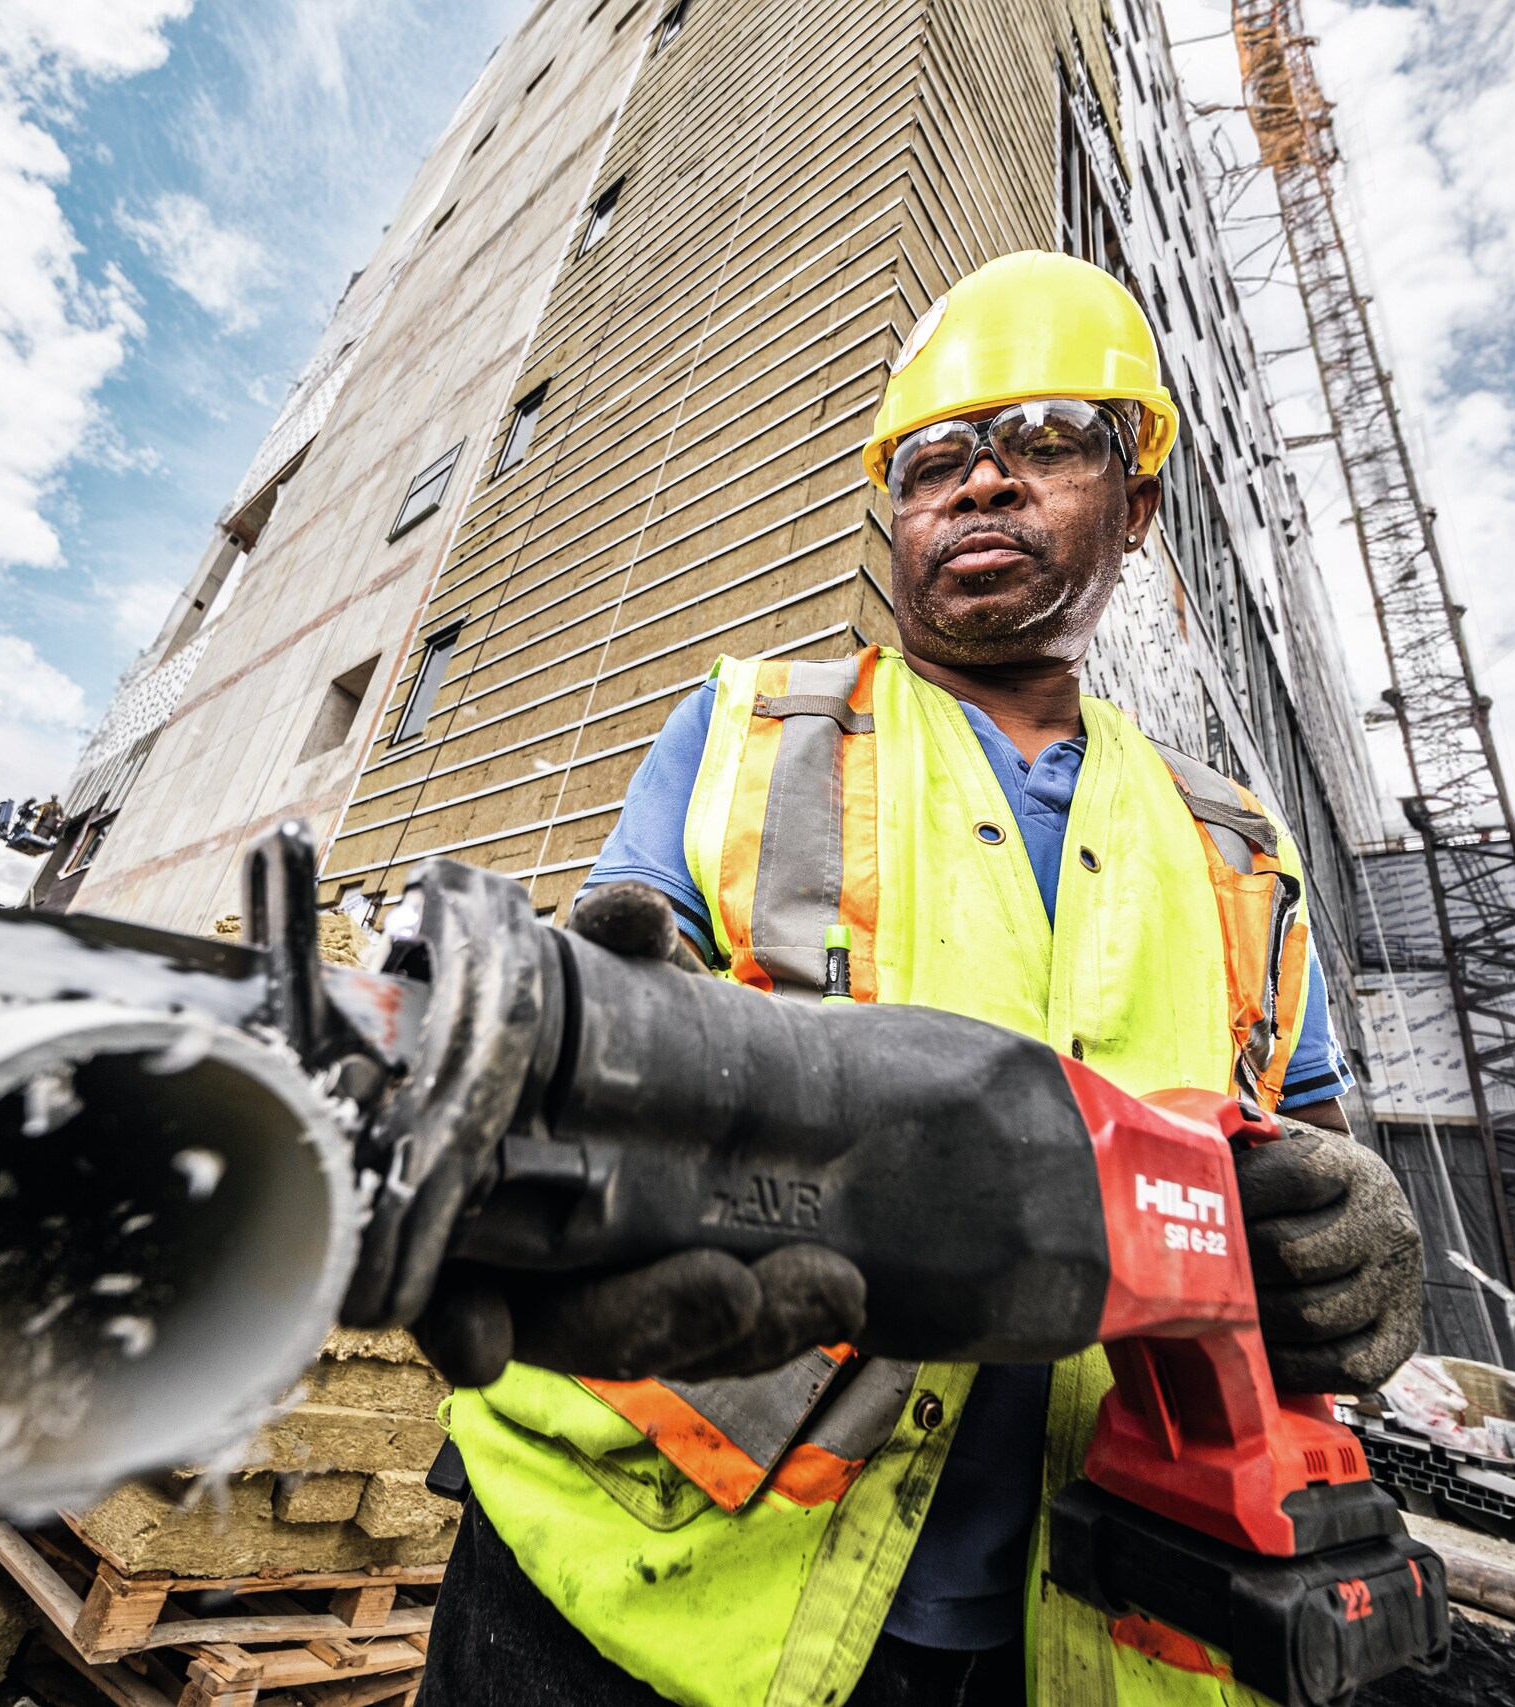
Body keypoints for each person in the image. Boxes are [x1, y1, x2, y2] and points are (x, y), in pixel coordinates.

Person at [411, 251, 1423, 1707]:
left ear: (1137, 504)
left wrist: (1355, 1232)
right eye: (936, 460)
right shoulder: (755, 730)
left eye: (1046, 438)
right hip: (642, 1571)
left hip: (1080, 1620)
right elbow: (610, 1014)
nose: (981, 481)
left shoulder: (1234, 847)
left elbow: (1309, 1151)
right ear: (897, 515)